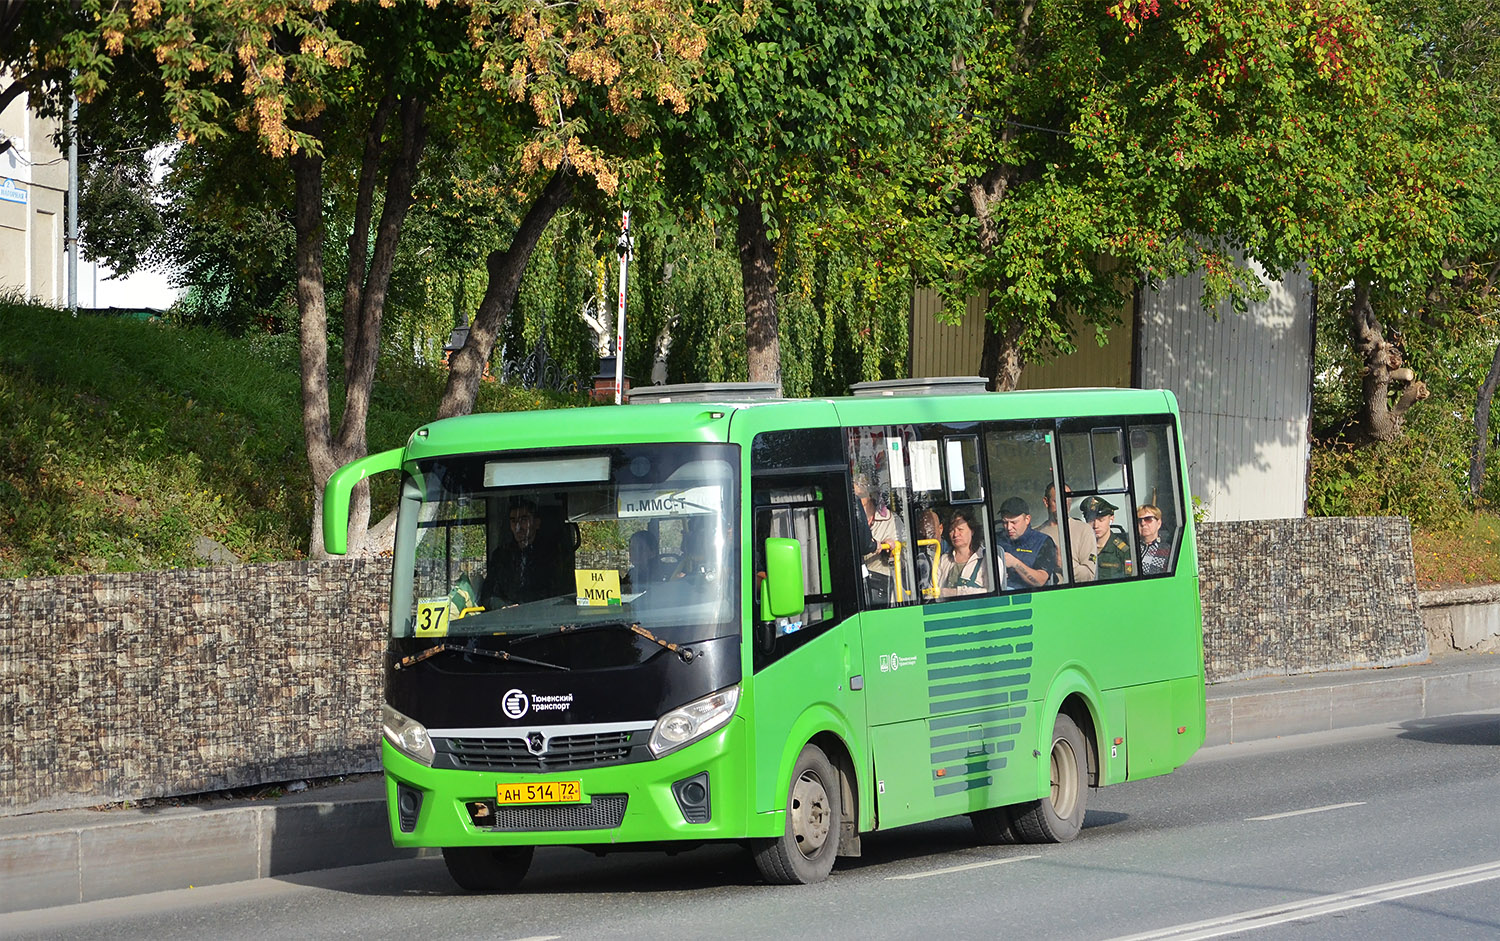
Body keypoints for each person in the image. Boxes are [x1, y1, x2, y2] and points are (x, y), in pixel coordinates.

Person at [484, 497, 571, 604]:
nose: (518, 527)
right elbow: (488, 593)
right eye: (513, 521)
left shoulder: (553, 555)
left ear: (537, 523)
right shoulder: (501, 555)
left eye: (524, 520)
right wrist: (502, 606)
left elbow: (560, 593)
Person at [853, 472, 904, 604]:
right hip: (855, 585)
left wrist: (890, 550)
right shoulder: (849, 518)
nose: (857, 503)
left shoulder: (891, 520)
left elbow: (906, 559)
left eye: (860, 497)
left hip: (880, 588)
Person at [1037, 483, 1097, 584]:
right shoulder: (1036, 533)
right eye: (1057, 501)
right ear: (1046, 502)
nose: (1064, 506)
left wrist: (1063, 563)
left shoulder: (1083, 530)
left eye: (1068, 501)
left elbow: (1088, 576)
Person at [994, 496, 1059, 589]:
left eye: (1014, 522)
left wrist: (1015, 563)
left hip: (1030, 597)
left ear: (1027, 519)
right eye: (1005, 522)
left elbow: (1040, 580)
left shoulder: (1043, 542)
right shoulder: (996, 540)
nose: (1008, 527)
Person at [939, 507, 991, 597]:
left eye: (960, 529)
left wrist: (955, 593)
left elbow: (991, 593)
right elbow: (932, 591)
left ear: (972, 531)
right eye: (952, 530)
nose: (955, 534)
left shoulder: (988, 559)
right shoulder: (943, 560)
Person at [1082, 495, 1133, 580]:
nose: (1095, 525)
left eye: (1101, 520)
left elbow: (1129, 580)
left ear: (1111, 518)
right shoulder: (1081, 547)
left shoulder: (1123, 551)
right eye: (1091, 520)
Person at [914, 506, 948, 599]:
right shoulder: (917, 556)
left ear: (940, 529)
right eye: (922, 531)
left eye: (931, 532)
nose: (926, 535)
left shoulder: (950, 554)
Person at [1136, 503, 1170, 575]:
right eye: (1139, 520)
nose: (1143, 523)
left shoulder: (1168, 551)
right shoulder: (1131, 548)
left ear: (1159, 523)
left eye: (1148, 519)